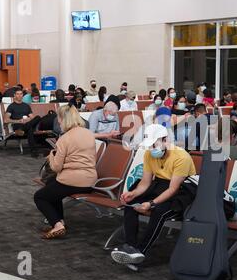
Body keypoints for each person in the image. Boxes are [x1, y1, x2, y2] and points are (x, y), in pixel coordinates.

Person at [111, 124, 196, 266]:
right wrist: (133, 193)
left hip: (181, 190)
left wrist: (151, 204)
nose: (152, 149)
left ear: (165, 140)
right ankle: (130, 246)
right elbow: (145, 183)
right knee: (131, 204)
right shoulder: (149, 154)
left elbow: (173, 189)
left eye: (154, 145)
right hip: (160, 185)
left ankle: (140, 251)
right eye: (150, 146)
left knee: (159, 212)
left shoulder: (182, 157)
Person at [34, 105, 97, 240]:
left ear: (64, 119)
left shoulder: (65, 138)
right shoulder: (89, 133)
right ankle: (59, 220)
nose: (59, 122)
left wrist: (51, 154)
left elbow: (56, 167)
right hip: (90, 179)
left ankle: (57, 225)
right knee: (51, 184)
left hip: (73, 180)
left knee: (40, 197)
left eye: (59, 119)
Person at [5, 89, 41, 157]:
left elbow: (32, 117)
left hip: (25, 124)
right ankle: (33, 151)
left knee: (38, 117)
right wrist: (18, 121)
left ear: (22, 95)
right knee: (29, 129)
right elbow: (6, 120)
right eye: (17, 94)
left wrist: (28, 119)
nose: (19, 95)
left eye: (21, 94)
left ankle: (22, 130)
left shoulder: (26, 106)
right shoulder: (11, 106)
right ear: (14, 96)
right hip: (17, 125)